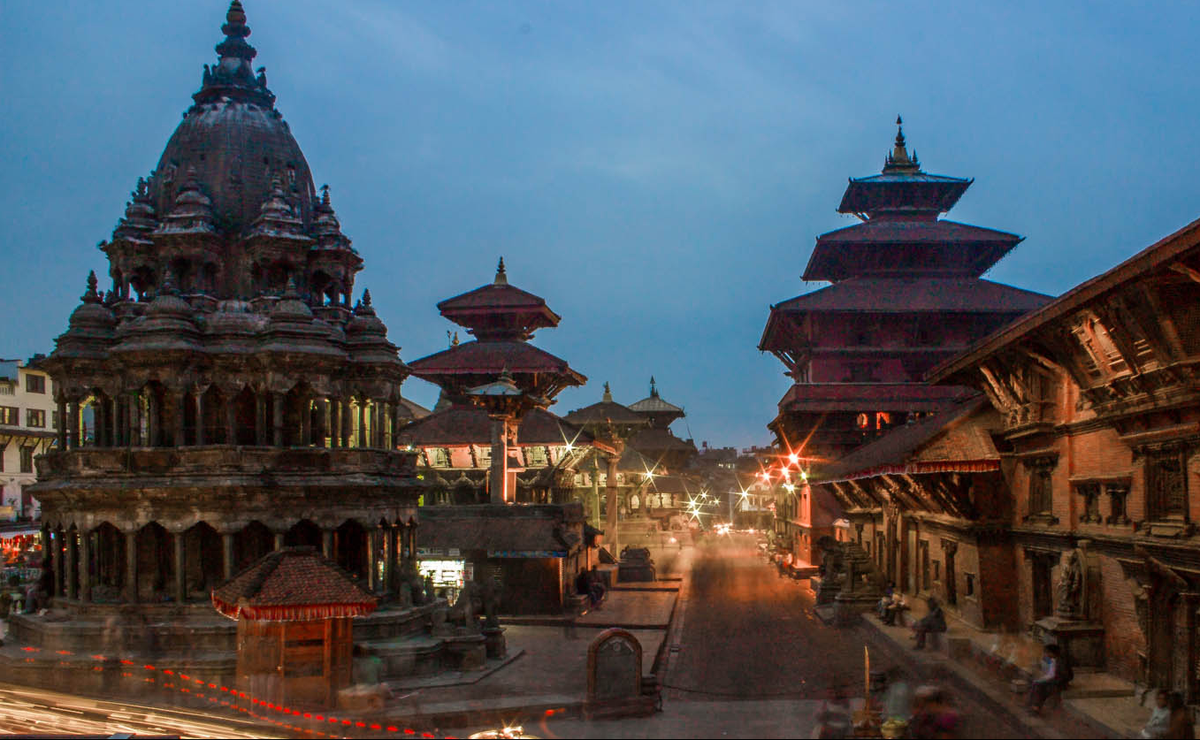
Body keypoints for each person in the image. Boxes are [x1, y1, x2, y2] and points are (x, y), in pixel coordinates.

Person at [1026, 643, 1067, 714]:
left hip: (1057, 682)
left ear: (1052, 653)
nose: (1046, 654)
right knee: (1035, 684)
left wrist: (1054, 680)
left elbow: (1065, 675)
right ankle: (1033, 705)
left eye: (1047, 652)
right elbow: (1049, 671)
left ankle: (1036, 707)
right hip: (1051, 679)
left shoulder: (1061, 662)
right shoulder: (1051, 660)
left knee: (1039, 686)